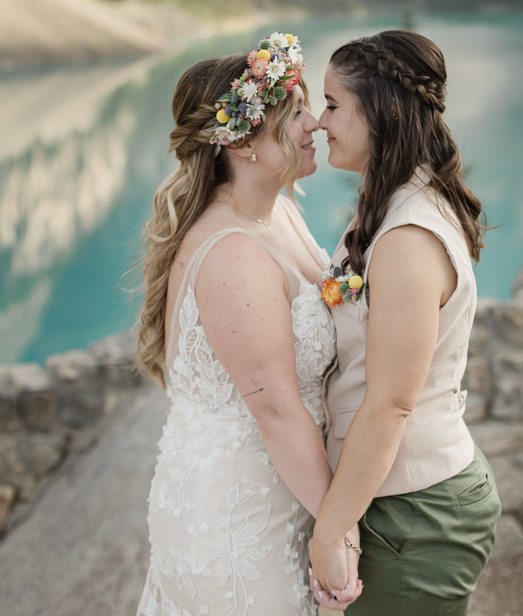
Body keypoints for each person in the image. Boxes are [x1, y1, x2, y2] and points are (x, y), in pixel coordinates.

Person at [135, 33, 361, 616]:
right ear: (241, 144)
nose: (314, 123)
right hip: (237, 515)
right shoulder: (233, 253)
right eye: (293, 114)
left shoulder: (279, 209)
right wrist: (338, 533)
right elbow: (276, 409)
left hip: (285, 490)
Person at [310, 29, 501, 615]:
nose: (320, 122)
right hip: (393, 497)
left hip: (417, 510)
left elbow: (391, 402)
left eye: (334, 105)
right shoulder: (387, 205)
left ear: (382, 111)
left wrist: (328, 531)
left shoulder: (409, 237)